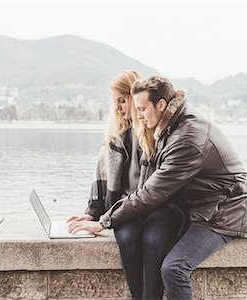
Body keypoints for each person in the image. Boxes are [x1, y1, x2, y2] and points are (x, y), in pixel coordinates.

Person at [69, 76, 247, 299]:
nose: (137, 115)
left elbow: (153, 192)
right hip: (204, 210)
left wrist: (105, 221)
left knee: (174, 269)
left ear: (160, 105)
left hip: (224, 216)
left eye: (141, 108)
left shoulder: (187, 139)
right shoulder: (171, 125)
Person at [67, 71, 186, 299]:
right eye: (114, 101)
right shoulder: (116, 136)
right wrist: (93, 215)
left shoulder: (157, 132)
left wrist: (105, 221)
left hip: (161, 206)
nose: (117, 108)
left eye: (122, 100)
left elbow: (157, 190)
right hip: (125, 207)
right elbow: (102, 182)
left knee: (153, 239)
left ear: (136, 98)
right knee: (129, 238)